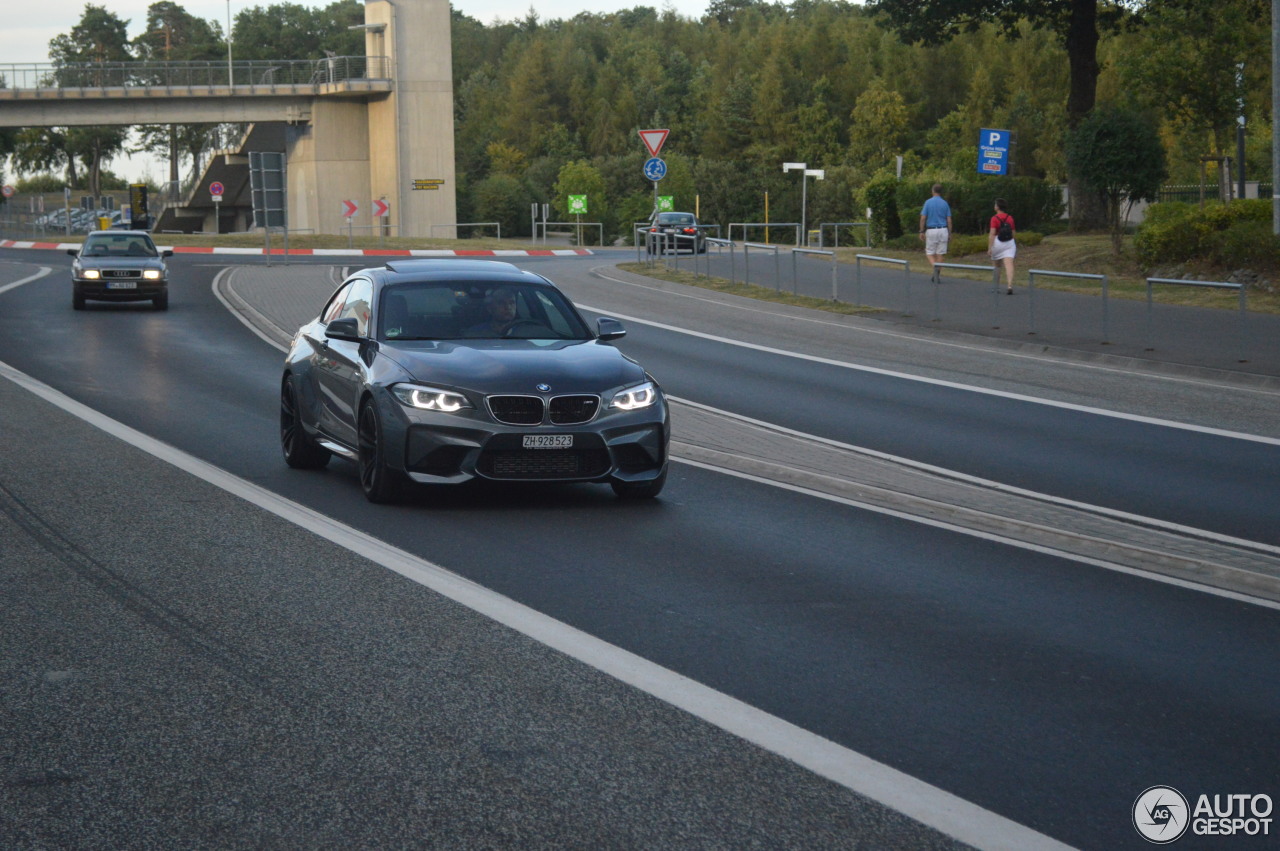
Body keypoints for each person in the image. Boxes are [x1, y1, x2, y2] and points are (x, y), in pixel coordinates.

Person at [918, 183, 952, 271]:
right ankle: (938, 271)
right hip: (943, 229)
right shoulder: (945, 203)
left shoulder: (928, 202)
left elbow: (923, 218)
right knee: (940, 253)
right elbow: (949, 220)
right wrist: (949, 233)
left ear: (933, 191)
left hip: (931, 230)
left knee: (929, 252)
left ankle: (935, 267)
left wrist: (921, 231)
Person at [987, 198, 1017, 295]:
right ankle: (1009, 285)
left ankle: (996, 286)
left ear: (997, 207)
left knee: (996, 266)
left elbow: (992, 234)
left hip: (998, 242)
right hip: (1009, 243)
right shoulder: (1010, 218)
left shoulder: (994, 218)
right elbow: (1013, 232)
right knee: (1009, 264)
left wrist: (990, 247)